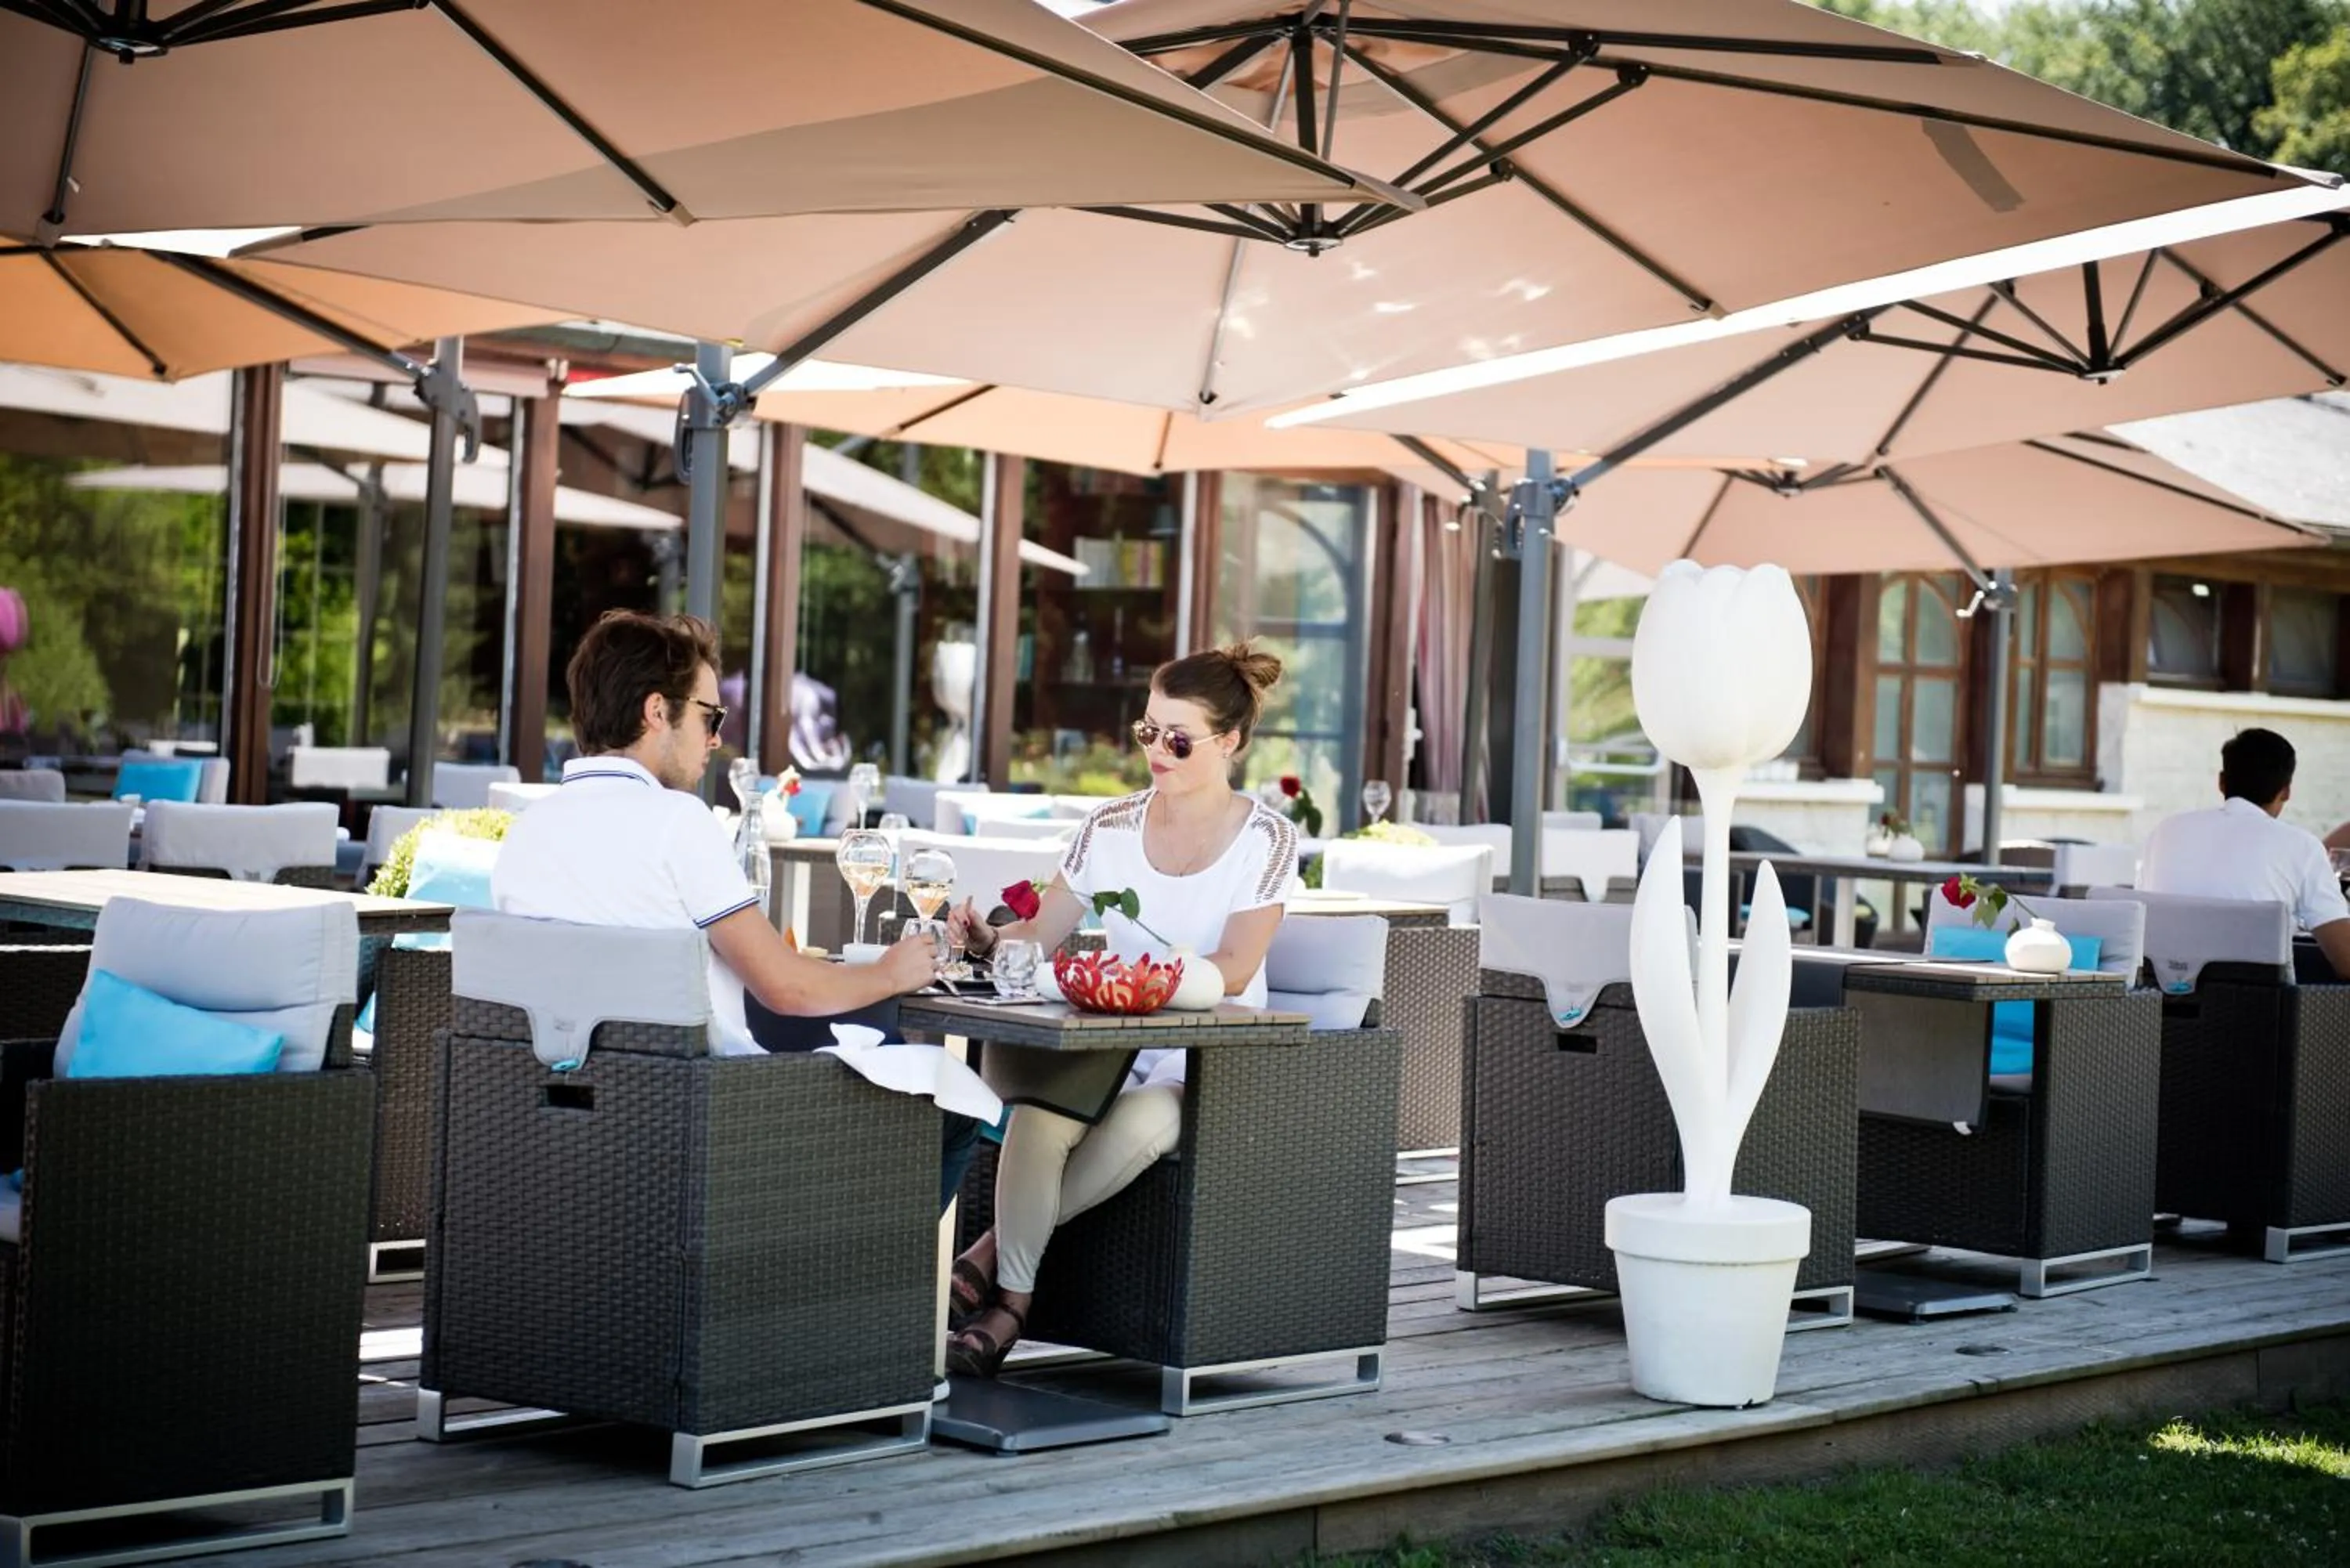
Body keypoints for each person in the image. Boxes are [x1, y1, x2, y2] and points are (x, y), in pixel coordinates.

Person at [492, 609, 979, 1209]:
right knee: (955, 1105)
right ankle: (844, 1286)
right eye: (709, 716)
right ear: (655, 712)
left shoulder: (525, 834)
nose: (717, 738)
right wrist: (893, 972)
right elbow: (785, 988)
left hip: (556, 1130)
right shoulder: (677, 821)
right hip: (710, 1125)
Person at [940, 643, 1299, 1376]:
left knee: (1138, 1122)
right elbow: (1040, 934)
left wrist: (1132, 982)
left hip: (1210, 1063)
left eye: (1177, 739)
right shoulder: (1109, 828)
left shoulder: (1266, 838)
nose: (1156, 753)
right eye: (1147, 732)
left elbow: (1234, 971)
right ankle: (1007, 1288)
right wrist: (988, 938)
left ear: (1228, 742)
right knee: (1037, 1121)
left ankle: (1002, 1289)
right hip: (1110, 1045)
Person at [2138, 726, 2350, 977]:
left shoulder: (2165, 832)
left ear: (2221, 782)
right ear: (2286, 791)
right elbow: (2346, 960)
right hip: (2261, 1009)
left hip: (2157, 1005)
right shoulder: (2301, 846)